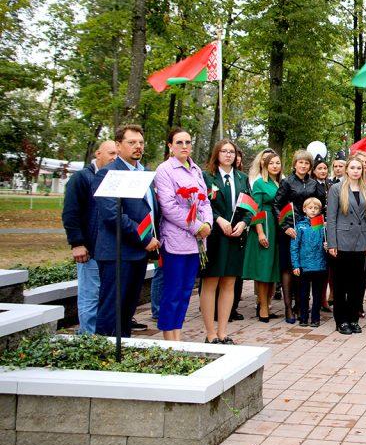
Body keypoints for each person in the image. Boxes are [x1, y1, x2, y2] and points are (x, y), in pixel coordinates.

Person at [93, 125, 161, 338]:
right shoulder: (109, 173)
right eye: (132, 142)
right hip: (117, 253)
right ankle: (103, 352)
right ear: (118, 145)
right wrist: (145, 238)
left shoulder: (144, 173)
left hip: (138, 254)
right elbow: (113, 215)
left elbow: (149, 209)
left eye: (140, 142)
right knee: (111, 311)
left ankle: (123, 349)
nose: (138, 146)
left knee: (127, 311)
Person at [153, 128, 212, 341]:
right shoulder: (165, 170)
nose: (185, 146)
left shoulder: (195, 169)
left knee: (186, 291)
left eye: (188, 142)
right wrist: (196, 226)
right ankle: (169, 338)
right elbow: (169, 207)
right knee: (173, 291)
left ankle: (177, 334)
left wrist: (207, 223)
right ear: (170, 146)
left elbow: (205, 201)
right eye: (179, 142)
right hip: (176, 240)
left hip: (196, 242)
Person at [62, 140, 117, 334]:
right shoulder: (82, 178)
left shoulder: (114, 178)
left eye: (117, 154)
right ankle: (88, 337)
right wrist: (77, 243)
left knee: (105, 297)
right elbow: (70, 212)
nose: (114, 158)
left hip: (110, 250)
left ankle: (103, 336)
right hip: (90, 250)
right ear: (98, 154)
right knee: (90, 296)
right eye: (111, 153)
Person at [201, 139, 250, 344]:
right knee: (211, 282)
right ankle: (210, 333)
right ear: (217, 154)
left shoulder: (242, 178)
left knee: (229, 283)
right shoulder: (207, 176)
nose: (228, 155)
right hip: (215, 236)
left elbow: (249, 207)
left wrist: (244, 223)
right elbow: (202, 204)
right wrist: (217, 219)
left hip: (235, 237)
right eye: (224, 151)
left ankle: (222, 332)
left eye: (231, 152)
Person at [325, 157, 366, 334]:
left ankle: (354, 318)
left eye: (359, 168)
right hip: (342, 241)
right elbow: (331, 218)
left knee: (357, 284)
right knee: (340, 284)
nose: (355, 171)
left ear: (362, 170)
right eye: (352, 167)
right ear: (346, 170)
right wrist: (332, 242)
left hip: (361, 242)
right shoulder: (337, 189)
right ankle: (341, 320)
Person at [274, 149, 320, 324]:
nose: (303, 165)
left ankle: (301, 305)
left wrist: (317, 230)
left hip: (308, 231)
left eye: (307, 163)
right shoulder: (286, 182)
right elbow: (276, 205)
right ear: (295, 164)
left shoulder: (314, 184)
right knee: (288, 268)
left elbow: (319, 207)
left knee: (304, 267)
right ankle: (288, 307)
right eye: (300, 162)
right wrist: (285, 227)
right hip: (290, 230)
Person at [242, 150, 281, 322]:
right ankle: (263, 307)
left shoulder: (279, 183)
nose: (275, 166)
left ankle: (268, 303)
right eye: (271, 163)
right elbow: (255, 208)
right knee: (264, 268)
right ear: (264, 165)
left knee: (272, 268)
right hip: (264, 225)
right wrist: (260, 232)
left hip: (276, 226)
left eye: (278, 163)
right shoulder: (259, 183)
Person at [291, 197, 327, 327]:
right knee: (303, 294)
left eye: (316, 208)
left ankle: (315, 318)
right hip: (304, 266)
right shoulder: (300, 226)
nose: (313, 210)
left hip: (319, 265)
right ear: (304, 209)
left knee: (317, 294)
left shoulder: (322, 227)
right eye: (310, 208)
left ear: (320, 210)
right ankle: (304, 317)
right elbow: (294, 247)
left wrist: (327, 246)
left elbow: (326, 242)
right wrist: (295, 265)